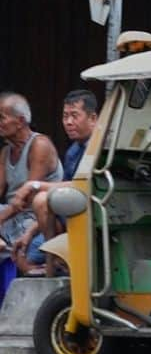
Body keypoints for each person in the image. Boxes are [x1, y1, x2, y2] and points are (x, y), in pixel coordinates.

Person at [9, 90, 98, 276]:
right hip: (63, 222)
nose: (68, 122)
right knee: (25, 255)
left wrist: (34, 185)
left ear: (93, 118)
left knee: (41, 199)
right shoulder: (74, 151)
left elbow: (83, 186)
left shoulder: (100, 148)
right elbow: (66, 187)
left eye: (75, 116)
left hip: (90, 222)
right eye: (65, 116)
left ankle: (55, 264)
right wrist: (30, 233)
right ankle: (55, 262)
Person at [0, 94, 62, 272]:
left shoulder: (39, 145)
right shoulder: (6, 151)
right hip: (12, 216)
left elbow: (27, 198)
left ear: (20, 121)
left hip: (35, 218)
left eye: (2, 117)